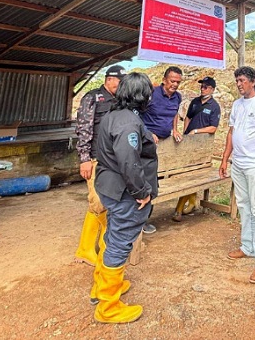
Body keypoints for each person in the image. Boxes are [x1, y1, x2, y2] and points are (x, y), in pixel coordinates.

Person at [92, 72, 157, 324]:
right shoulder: (129, 122)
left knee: (111, 236)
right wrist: (141, 192)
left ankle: (102, 287)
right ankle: (108, 307)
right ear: (141, 96)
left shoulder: (112, 115)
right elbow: (129, 162)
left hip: (109, 186)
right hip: (125, 192)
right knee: (120, 241)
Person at [219, 67, 255, 284]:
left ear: (253, 81)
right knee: (244, 205)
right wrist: (225, 159)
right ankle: (248, 246)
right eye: (236, 81)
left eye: (242, 80)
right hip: (239, 164)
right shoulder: (237, 104)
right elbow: (231, 133)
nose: (239, 84)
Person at [74, 64, 125, 270]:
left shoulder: (119, 101)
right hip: (94, 158)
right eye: (119, 81)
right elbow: (84, 128)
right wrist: (84, 157)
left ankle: (96, 248)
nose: (120, 85)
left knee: (106, 201)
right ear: (109, 79)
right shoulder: (92, 97)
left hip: (113, 159)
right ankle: (91, 249)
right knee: (97, 201)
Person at [139, 66, 183, 234]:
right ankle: (140, 221)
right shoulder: (151, 94)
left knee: (154, 183)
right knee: (146, 182)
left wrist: (175, 129)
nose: (175, 84)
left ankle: (144, 219)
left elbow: (174, 114)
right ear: (165, 80)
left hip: (165, 146)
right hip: (147, 144)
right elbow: (138, 114)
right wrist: (148, 133)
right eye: (172, 81)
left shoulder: (177, 97)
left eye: (178, 82)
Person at [172, 76, 221, 222]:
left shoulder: (214, 106)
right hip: (189, 143)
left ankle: (179, 209)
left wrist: (197, 132)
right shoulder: (195, 102)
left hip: (202, 145)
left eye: (206, 87)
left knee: (192, 176)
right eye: (202, 86)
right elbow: (188, 117)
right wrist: (186, 132)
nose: (202, 89)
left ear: (212, 89)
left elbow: (213, 128)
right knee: (187, 173)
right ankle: (192, 202)